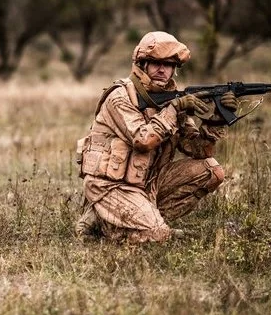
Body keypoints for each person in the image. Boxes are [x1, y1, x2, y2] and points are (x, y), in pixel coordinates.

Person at [74, 31, 238, 242]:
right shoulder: (120, 96)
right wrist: (174, 109)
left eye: (168, 65)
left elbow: (199, 150)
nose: (162, 69)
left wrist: (217, 119)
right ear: (142, 64)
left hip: (148, 185)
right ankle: (107, 223)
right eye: (156, 63)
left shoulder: (173, 100)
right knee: (158, 234)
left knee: (212, 171)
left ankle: (135, 219)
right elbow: (143, 140)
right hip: (111, 186)